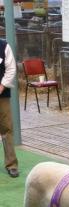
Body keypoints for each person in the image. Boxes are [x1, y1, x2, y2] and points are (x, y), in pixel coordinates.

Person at [0, 39, 19, 177]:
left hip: (2, 95)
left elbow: (11, 68)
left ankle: (11, 164)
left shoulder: (4, 45)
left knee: (6, 128)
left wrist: (1, 86)